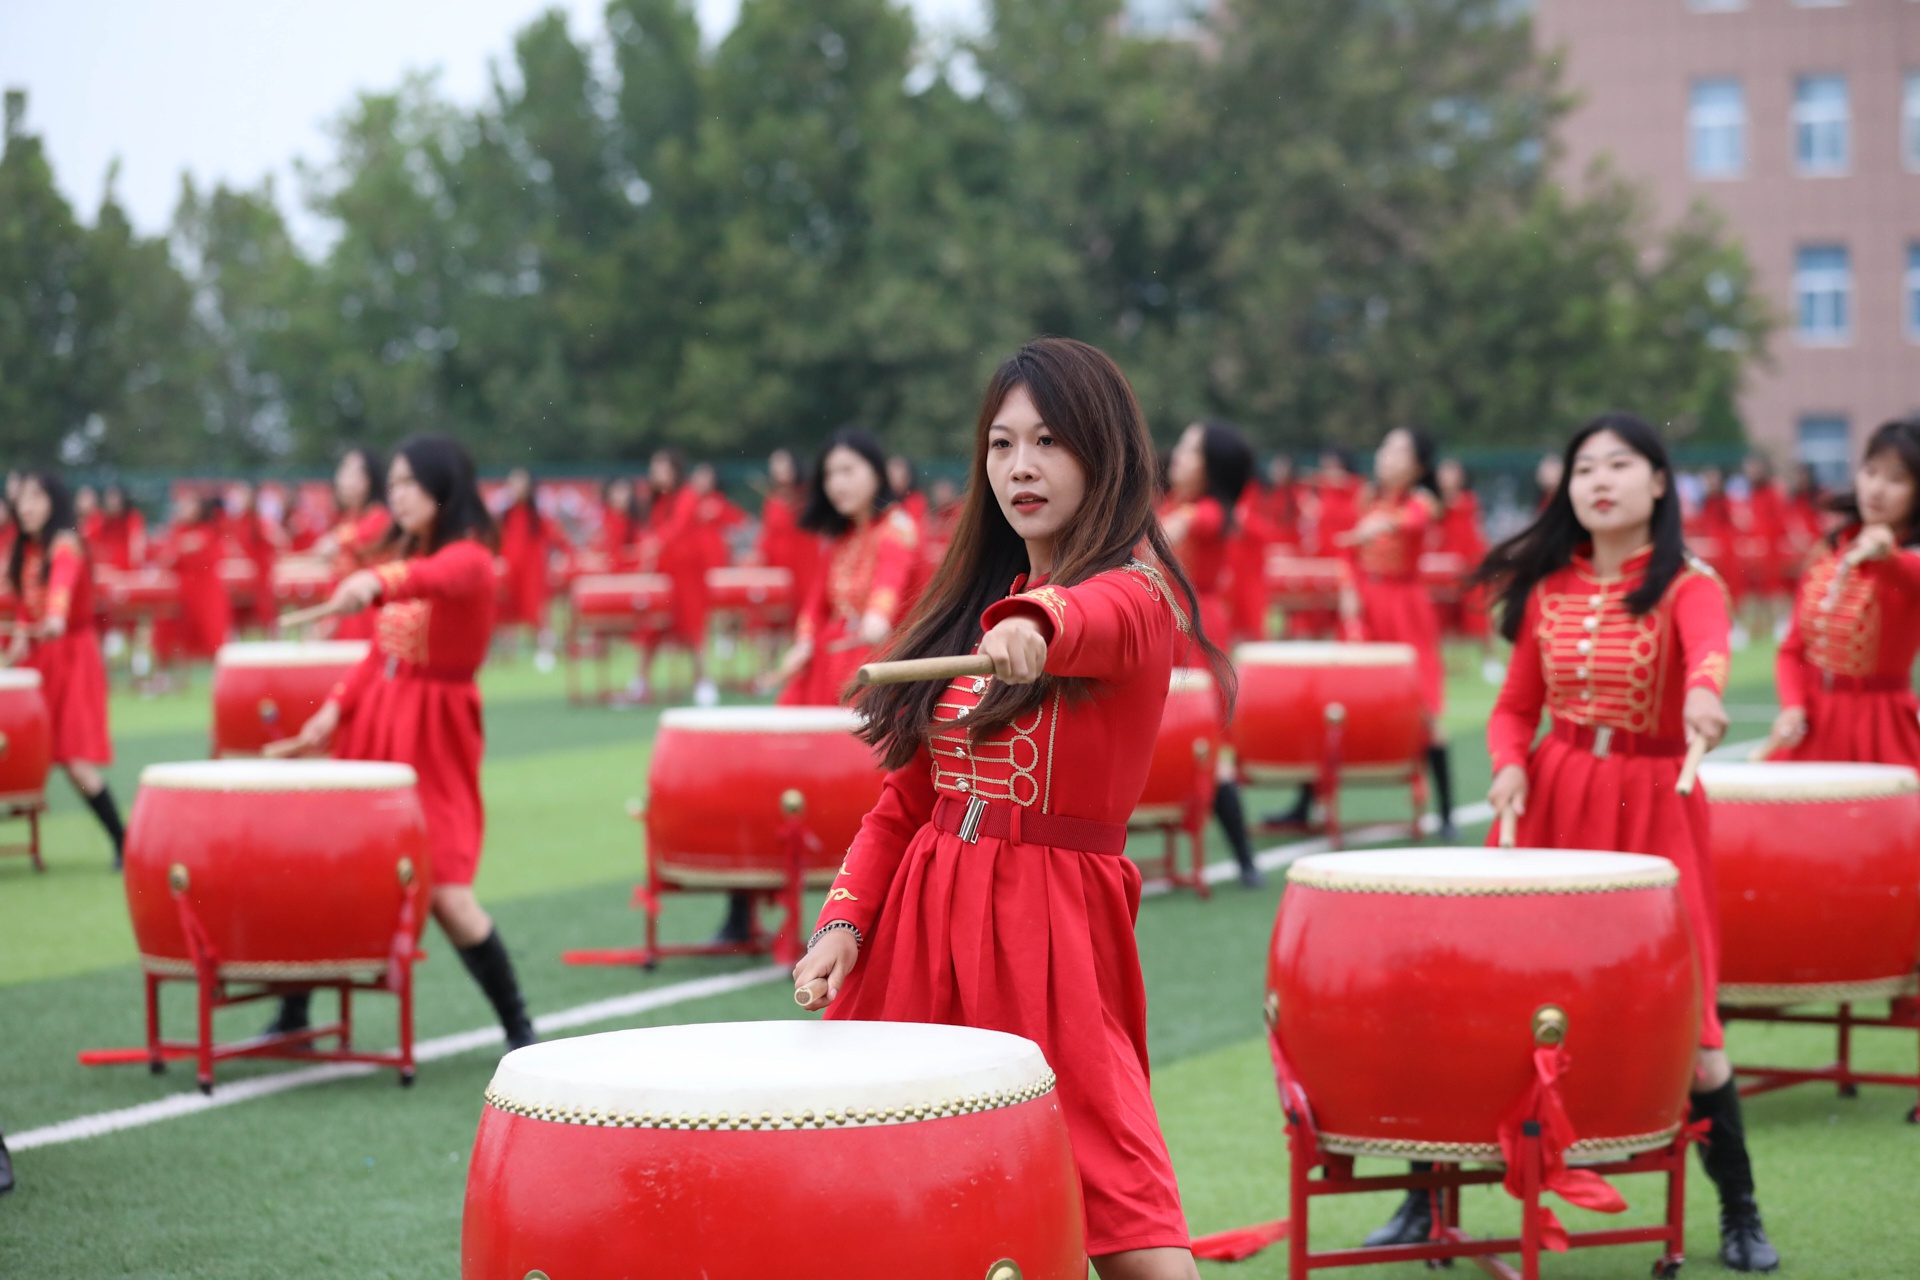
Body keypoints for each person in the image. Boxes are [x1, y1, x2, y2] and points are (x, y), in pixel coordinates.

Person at [792, 336, 1228, 1280]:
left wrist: (1039, 621)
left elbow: (1095, 618)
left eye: (1048, 442)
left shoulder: (1140, 594)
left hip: (1050, 932)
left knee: (1118, 1202)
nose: (1021, 466)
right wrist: (843, 922)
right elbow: (906, 803)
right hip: (920, 926)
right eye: (1001, 444)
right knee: (892, 1187)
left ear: (1105, 453)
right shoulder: (983, 601)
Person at [1459, 412, 1776, 1273]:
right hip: (1553, 799)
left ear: (1660, 483)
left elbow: (1709, 658)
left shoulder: (1690, 585)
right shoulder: (1548, 589)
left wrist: (1704, 697)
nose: (1599, 481)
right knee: (1491, 1001)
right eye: (1584, 468)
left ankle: (1740, 1209)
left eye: (1620, 465)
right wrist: (1508, 765)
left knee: (1690, 1023)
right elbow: (1515, 706)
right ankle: (1426, 1197)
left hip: (1655, 811)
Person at [266, 435, 535, 1051]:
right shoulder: (410, 552)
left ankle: (519, 1028)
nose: (400, 496)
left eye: (411, 483)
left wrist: (373, 580)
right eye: (394, 485)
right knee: (331, 865)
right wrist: (332, 710)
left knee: (448, 893)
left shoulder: (470, 558)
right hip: (379, 725)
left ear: (444, 487)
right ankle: (295, 1011)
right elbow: (379, 653)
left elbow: (431, 578)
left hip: (434, 737)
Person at [1769, 417, 1920, 770]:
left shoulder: (1908, 558)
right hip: (1816, 724)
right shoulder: (1828, 551)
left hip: (1880, 726)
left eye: (1896, 479)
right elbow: (1792, 650)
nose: (1876, 489)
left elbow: (1909, 574)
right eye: (1870, 472)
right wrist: (1793, 705)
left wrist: (1887, 555)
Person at [3, 472, 126, 868]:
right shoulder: (27, 548)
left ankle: (125, 842)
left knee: (75, 762)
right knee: (21, 751)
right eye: (21, 499)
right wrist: (21, 637)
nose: (25, 507)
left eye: (35, 498)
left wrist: (55, 617)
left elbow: (61, 586)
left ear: (54, 502)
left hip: (73, 658)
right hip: (41, 658)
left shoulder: (65, 544)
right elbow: (26, 607)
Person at [1161, 419, 1263, 887]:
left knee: (1210, 743)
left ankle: (1245, 861)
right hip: (1166, 625)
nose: (1178, 456)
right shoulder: (1174, 505)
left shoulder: (1211, 512)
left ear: (1211, 468)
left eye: (1190, 451)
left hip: (1196, 632)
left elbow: (1187, 524)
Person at [1339, 427, 1455, 838]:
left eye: (1399, 451)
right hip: (1366, 607)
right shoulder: (1366, 498)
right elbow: (1348, 555)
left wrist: (1381, 524)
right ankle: (1309, 800)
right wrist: (1348, 595)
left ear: (1418, 466)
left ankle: (1446, 813)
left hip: (1405, 610)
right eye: (1385, 448)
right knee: (1336, 699)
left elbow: (1417, 520)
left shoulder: (1421, 500)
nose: (1386, 456)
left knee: (1425, 705)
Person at [766, 428, 921, 708]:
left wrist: (877, 616)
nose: (837, 484)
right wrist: (804, 643)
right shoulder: (840, 538)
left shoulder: (896, 527)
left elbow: (890, 579)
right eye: (829, 475)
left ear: (876, 472)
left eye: (847, 471)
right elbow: (817, 601)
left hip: (880, 659)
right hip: (834, 657)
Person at [634, 450, 716, 707]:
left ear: (674, 470)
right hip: (664, 571)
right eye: (654, 469)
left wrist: (655, 542)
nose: (657, 474)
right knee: (652, 625)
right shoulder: (655, 499)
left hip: (687, 572)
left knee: (692, 626)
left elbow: (678, 527)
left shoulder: (687, 494)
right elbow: (650, 530)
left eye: (662, 468)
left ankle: (702, 680)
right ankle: (641, 681)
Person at [316, 448, 391, 642]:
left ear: (370, 479)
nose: (343, 479)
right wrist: (329, 617)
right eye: (343, 471)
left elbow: (365, 533)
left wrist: (334, 541)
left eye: (353, 473)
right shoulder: (348, 520)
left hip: (370, 620)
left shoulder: (380, 517)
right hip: (347, 619)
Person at [152, 493, 233, 668]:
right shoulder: (178, 529)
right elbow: (166, 557)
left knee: (212, 633)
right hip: (185, 590)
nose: (184, 509)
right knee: (176, 632)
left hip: (206, 589)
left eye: (189, 505)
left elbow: (187, 547)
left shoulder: (209, 529)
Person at [495, 468, 553, 652]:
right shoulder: (505, 515)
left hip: (531, 569)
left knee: (535, 608)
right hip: (510, 569)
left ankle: (544, 648)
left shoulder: (537, 515)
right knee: (506, 609)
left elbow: (552, 537)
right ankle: (508, 649)